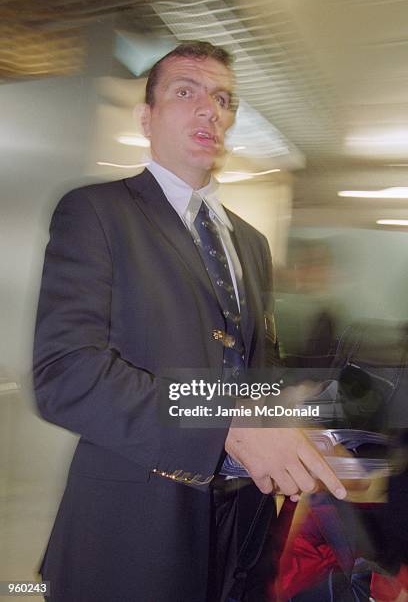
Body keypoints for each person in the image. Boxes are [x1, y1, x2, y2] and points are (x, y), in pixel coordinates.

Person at [33, 40, 346, 602]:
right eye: (186, 92)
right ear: (146, 117)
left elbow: (254, 372)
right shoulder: (98, 212)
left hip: (239, 527)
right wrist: (228, 422)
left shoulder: (249, 241)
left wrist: (299, 418)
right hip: (132, 528)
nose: (210, 109)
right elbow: (67, 375)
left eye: (223, 99)